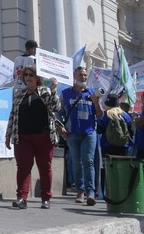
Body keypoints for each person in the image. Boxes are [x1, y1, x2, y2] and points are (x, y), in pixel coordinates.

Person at [5, 65, 60, 209]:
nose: (28, 77)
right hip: (22, 137)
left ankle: (46, 198)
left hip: (44, 136)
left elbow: (56, 107)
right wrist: (8, 134)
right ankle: (21, 198)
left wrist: (54, 88)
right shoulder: (18, 94)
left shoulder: (46, 92)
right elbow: (12, 115)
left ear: (37, 78)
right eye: (26, 75)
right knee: (23, 167)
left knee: (44, 167)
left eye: (31, 75)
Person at [60, 66, 98, 205]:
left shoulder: (92, 93)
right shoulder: (65, 93)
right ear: (74, 76)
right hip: (72, 132)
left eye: (85, 75)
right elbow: (59, 113)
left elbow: (99, 114)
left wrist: (97, 102)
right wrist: (61, 128)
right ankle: (80, 191)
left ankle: (91, 193)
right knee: (77, 162)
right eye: (81, 75)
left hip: (89, 132)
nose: (83, 77)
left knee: (88, 161)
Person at [94, 93, 132, 159]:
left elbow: (99, 130)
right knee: (122, 166)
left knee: (109, 167)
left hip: (108, 145)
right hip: (123, 145)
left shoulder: (106, 115)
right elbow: (131, 131)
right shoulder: (126, 115)